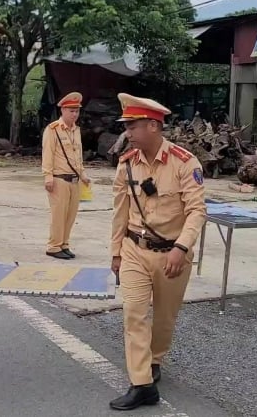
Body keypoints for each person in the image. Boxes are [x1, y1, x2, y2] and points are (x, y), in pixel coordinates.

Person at [108, 93, 207, 411]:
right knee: (133, 314)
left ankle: (154, 360)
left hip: (172, 255)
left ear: (152, 126)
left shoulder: (184, 162)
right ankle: (141, 384)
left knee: (164, 319)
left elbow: (196, 211)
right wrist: (116, 253)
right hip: (135, 250)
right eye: (126, 126)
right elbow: (119, 212)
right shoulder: (126, 164)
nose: (128, 132)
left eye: (132, 126)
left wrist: (182, 247)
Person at [41, 91, 91, 260]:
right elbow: (48, 154)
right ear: (62, 110)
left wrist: (83, 174)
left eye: (77, 111)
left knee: (70, 215)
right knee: (59, 215)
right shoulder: (53, 129)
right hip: (59, 179)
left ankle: (64, 244)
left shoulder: (76, 130)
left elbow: (78, 156)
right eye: (71, 110)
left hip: (74, 180)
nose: (74, 114)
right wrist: (48, 176)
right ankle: (54, 246)